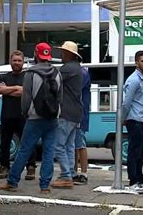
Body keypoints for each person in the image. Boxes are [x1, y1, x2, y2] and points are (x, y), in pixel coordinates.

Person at [0, 42, 62, 194]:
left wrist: (26, 113)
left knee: (24, 150)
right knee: (48, 152)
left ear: (36, 54)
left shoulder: (31, 73)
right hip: (52, 118)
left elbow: (26, 99)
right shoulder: (57, 73)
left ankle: (12, 181)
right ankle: (45, 185)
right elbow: (60, 97)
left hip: (34, 118)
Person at [0, 50, 37, 180]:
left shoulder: (28, 76)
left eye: (19, 61)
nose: (17, 63)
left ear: (23, 62)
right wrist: (17, 88)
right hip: (7, 115)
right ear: (10, 61)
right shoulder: (4, 77)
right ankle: (4, 167)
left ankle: (31, 167)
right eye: (14, 60)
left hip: (23, 115)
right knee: (5, 143)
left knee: (27, 142)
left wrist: (9, 90)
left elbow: (26, 92)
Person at [51, 41, 83, 189]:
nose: (61, 54)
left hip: (66, 112)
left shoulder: (67, 69)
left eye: (63, 52)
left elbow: (51, 81)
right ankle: (69, 172)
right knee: (69, 145)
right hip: (76, 112)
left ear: (69, 54)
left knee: (58, 146)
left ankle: (66, 175)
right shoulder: (77, 68)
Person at [121, 50, 143, 194]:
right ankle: (133, 181)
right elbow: (127, 102)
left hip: (142, 118)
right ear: (136, 63)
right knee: (134, 152)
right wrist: (123, 118)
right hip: (134, 119)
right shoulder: (133, 80)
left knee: (141, 152)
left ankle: (139, 178)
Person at [73, 65, 90, 185]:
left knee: (80, 144)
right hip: (77, 112)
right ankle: (75, 172)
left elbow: (75, 91)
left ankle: (83, 173)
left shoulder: (82, 74)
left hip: (78, 113)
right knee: (75, 145)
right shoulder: (82, 72)